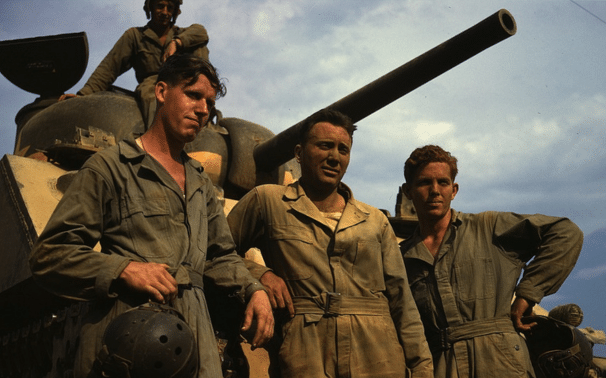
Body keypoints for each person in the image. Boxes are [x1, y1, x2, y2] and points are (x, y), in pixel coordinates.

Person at [29, 54, 273, 378]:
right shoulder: (111, 167)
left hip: (195, 339)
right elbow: (49, 255)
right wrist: (123, 269)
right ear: (161, 92)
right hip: (130, 334)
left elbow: (221, 256)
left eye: (210, 103)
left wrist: (253, 289)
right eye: (193, 95)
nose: (203, 110)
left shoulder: (200, 183)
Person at [226, 109, 434, 378]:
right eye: (324, 146)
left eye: (343, 150)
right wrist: (259, 276)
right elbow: (216, 252)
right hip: (306, 353)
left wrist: (421, 368)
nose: (334, 157)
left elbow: (402, 302)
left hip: (378, 356)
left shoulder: (374, 220)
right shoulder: (268, 202)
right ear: (299, 153)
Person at [400, 144, 584, 378]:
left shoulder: (487, 227)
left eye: (443, 182)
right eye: (425, 182)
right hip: (442, 363)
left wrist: (527, 295)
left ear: (454, 190)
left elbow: (566, 232)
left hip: (501, 360)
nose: (435, 190)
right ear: (408, 191)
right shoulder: (404, 257)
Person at [63, 0, 209, 128]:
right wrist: (83, 95)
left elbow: (201, 32)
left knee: (200, 49)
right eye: (160, 6)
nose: (165, 12)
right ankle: (159, 143)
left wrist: (177, 42)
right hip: (152, 83)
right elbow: (109, 68)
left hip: (182, 83)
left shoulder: (182, 34)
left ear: (175, 12)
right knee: (154, 95)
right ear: (150, 7)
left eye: (169, 8)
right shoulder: (135, 36)